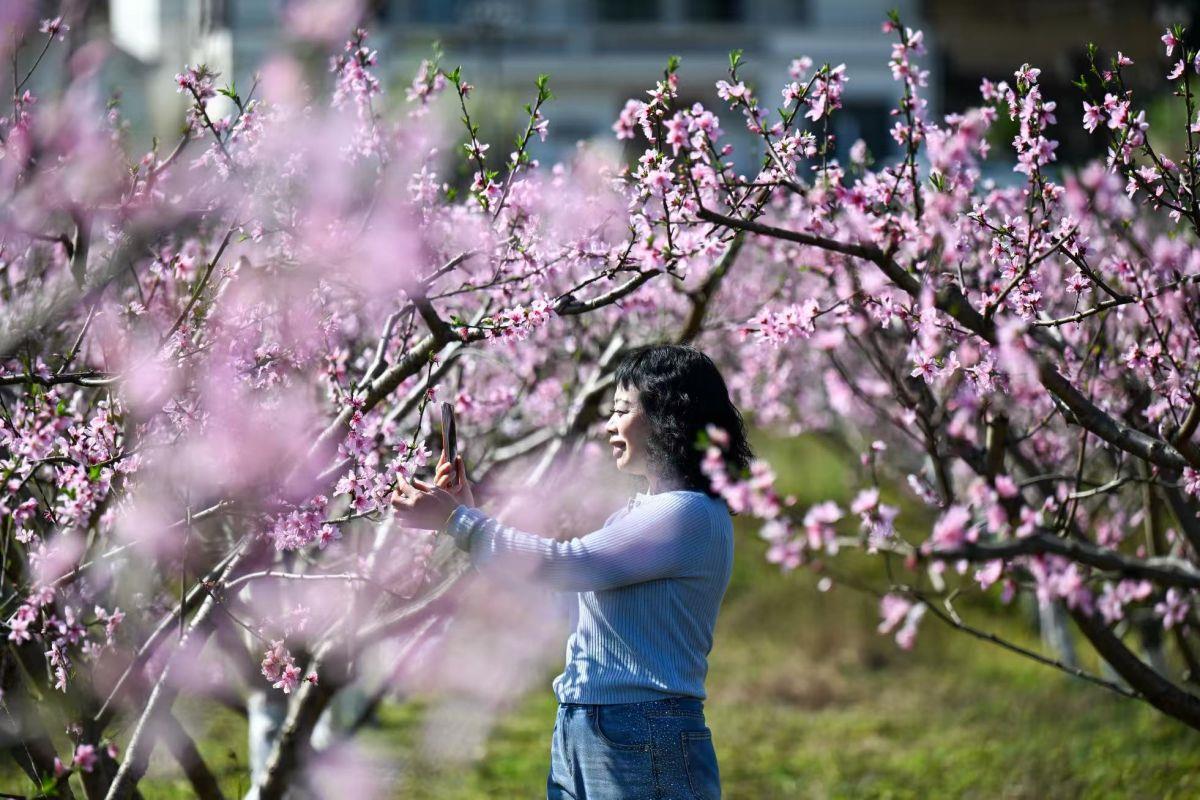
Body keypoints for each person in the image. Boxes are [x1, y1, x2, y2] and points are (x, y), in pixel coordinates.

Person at [391, 343, 753, 800]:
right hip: (588, 726)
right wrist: (466, 514)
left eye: (622, 410)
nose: (608, 426)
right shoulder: (644, 511)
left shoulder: (687, 514)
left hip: (642, 732)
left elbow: (567, 564)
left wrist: (461, 522)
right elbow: (560, 597)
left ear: (668, 416)